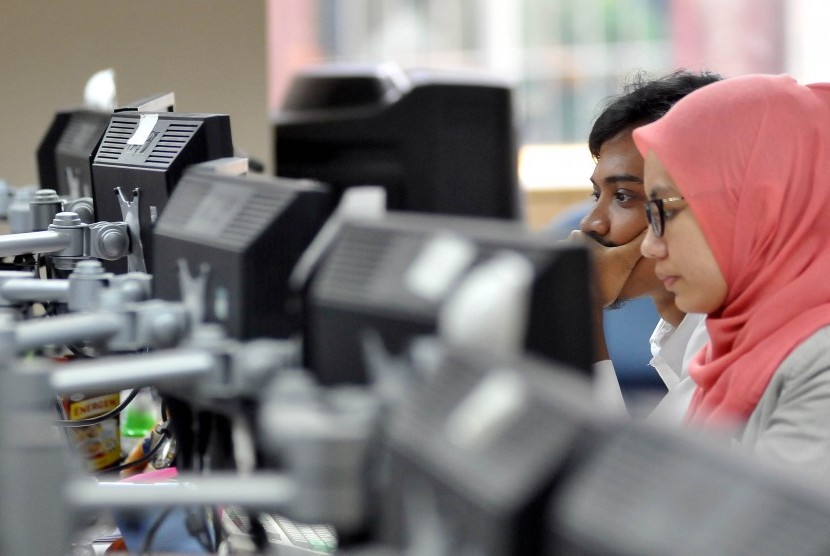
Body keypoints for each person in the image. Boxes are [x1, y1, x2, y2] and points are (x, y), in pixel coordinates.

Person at [633, 73, 830, 469]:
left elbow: (765, 530)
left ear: (760, 206)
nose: (648, 245)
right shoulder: (732, 345)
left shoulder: (820, 364)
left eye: (663, 211)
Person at [571, 70, 721, 419]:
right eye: (597, 194)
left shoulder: (740, 350)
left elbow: (605, 473)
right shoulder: (682, 339)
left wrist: (579, 312)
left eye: (623, 196)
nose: (590, 223)